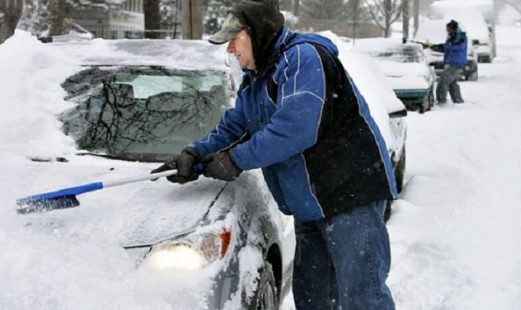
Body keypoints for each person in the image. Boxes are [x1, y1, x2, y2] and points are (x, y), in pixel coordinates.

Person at [151, 0, 397, 309]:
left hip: (349, 194)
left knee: (362, 297)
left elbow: (295, 128)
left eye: (234, 39)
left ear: (258, 33)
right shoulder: (258, 78)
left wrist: (235, 160)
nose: (229, 49)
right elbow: (237, 125)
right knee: (314, 298)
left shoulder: (303, 58)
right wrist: (195, 153)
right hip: (311, 203)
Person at [428, 19, 467, 104]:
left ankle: (441, 101)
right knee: (452, 83)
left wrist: (446, 46)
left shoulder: (461, 37)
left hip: (457, 64)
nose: (447, 31)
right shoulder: (451, 37)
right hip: (451, 63)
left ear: (453, 28)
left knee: (443, 81)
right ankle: (458, 101)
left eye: (448, 29)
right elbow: (446, 48)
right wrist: (433, 47)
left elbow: (458, 48)